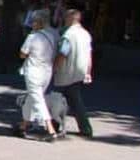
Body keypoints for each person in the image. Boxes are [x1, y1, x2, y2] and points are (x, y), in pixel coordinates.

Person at [15, 9, 60, 142]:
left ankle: (50, 128)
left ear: (39, 23)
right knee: (32, 97)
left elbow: (22, 53)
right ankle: (23, 125)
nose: (32, 24)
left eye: (33, 21)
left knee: (38, 99)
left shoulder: (32, 37)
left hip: (33, 71)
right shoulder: (51, 36)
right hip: (46, 71)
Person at [54, 9, 94, 138]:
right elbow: (89, 55)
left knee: (58, 99)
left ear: (71, 19)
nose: (64, 20)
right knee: (74, 99)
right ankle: (85, 128)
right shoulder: (85, 34)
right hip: (80, 71)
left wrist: (54, 67)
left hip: (66, 72)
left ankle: (54, 125)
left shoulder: (68, 35)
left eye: (65, 18)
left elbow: (63, 54)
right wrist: (88, 71)